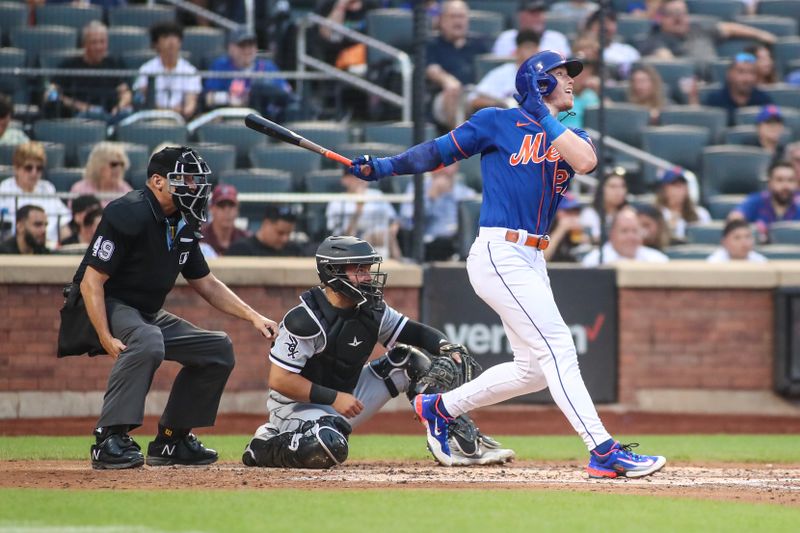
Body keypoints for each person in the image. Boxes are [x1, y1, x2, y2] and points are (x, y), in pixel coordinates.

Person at [348, 50, 666, 478]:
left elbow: (587, 163)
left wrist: (542, 114)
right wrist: (383, 166)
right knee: (559, 348)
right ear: (537, 83)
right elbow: (437, 153)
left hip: (533, 256)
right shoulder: (494, 122)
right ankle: (603, 450)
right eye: (560, 74)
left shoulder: (571, 132)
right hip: (499, 251)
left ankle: (440, 407)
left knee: (532, 370)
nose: (571, 81)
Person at [63, 145, 278, 470]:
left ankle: (171, 440)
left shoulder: (184, 221)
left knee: (217, 349)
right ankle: (108, 439)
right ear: (157, 181)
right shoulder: (127, 211)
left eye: (196, 180)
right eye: (185, 179)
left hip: (146, 313)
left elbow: (205, 282)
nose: (193, 187)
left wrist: (253, 316)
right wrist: (105, 335)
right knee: (149, 340)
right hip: (107, 303)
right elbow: (91, 281)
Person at [242, 235, 515, 469]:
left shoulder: (371, 309)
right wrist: (334, 398)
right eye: (358, 269)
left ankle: (457, 439)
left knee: (410, 360)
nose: (367, 277)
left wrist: (445, 346)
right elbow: (280, 381)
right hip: (295, 409)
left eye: (367, 268)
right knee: (329, 446)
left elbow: (415, 333)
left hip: (347, 398)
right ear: (333, 272)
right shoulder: (304, 319)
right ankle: (265, 445)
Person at [204, 27, 296, 122]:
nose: (247, 50)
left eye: (251, 45)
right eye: (242, 45)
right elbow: (209, 98)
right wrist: (237, 99)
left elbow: (286, 93)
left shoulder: (267, 66)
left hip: (264, 120)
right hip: (229, 119)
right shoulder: (221, 65)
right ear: (231, 47)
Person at [637, 0, 776, 62]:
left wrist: (761, 34)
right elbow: (665, 58)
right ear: (660, 18)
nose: (678, 19)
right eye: (672, 14)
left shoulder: (699, 27)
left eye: (682, 14)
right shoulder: (655, 38)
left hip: (715, 78)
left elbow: (729, 28)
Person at [49, 21, 132, 123]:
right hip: (79, 118)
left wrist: (119, 107)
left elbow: (125, 92)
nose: (99, 47)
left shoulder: (115, 63)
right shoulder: (69, 65)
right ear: (84, 44)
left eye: (102, 42)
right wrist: (80, 106)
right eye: (94, 42)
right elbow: (51, 93)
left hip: (109, 116)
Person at [426, 0, 490, 129]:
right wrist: (447, 80)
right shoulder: (432, 44)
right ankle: (460, 142)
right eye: (452, 16)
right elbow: (431, 69)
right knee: (453, 92)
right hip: (443, 97)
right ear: (442, 20)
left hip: (474, 94)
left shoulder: (479, 45)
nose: (458, 21)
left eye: (461, 16)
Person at [398, 162, 477, 261]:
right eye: (439, 163)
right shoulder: (416, 188)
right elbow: (407, 223)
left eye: (448, 163)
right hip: (425, 249)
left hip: (457, 249)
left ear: (456, 166)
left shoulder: (467, 194)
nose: (443, 168)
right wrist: (431, 197)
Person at [0, 142, 70, 244]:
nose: (34, 173)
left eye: (39, 168)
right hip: (15, 250)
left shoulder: (48, 188)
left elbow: (63, 225)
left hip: (49, 250)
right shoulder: (4, 190)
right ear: (16, 168)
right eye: (29, 168)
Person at [326, 170, 402, 260]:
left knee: (387, 234)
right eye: (356, 176)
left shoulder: (377, 195)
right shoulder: (337, 201)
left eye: (364, 176)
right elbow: (340, 234)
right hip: (350, 241)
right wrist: (359, 208)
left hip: (381, 238)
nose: (361, 180)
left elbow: (394, 219)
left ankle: (401, 266)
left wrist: (393, 228)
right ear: (344, 180)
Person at [133, 21, 201, 120]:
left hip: (181, 120)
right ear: (156, 44)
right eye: (165, 37)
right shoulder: (146, 69)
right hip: (152, 120)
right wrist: (166, 112)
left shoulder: (190, 71)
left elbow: (190, 105)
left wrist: (181, 112)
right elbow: (145, 100)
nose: (171, 41)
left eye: (175, 37)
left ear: (180, 42)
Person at [468, 30, 540, 113]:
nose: (532, 52)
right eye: (528, 47)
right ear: (517, 51)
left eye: (535, 48)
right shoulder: (502, 73)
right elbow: (474, 100)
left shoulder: (544, 75)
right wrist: (502, 104)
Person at [729, 160, 800, 242]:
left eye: (790, 180)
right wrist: (753, 232)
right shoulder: (756, 201)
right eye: (780, 180)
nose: (785, 185)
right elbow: (734, 218)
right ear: (769, 182)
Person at [581, 206, 670, 266]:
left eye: (635, 231)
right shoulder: (594, 261)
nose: (631, 237)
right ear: (612, 234)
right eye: (624, 231)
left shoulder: (657, 260)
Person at [703, 52, 772, 126]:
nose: (747, 78)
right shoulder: (714, 101)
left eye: (751, 73)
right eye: (741, 72)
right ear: (729, 74)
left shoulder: (764, 101)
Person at [492, 1, 571, 58]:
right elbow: (502, 63)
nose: (538, 17)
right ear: (520, 16)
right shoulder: (506, 37)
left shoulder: (557, 38)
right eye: (533, 13)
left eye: (540, 13)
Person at [654, 167, 710, 243]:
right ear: (664, 189)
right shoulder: (656, 213)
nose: (679, 190)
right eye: (674, 185)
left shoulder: (701, 213)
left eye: (682, 185)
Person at [226, 203, 305, 257]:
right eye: (280, 233)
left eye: (288, 234)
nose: (285, 239)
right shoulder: (242, 249)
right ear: (266, 224)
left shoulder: (294, 250)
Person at [583, 9, 641, 80]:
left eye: (610, 22)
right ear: (591, 27)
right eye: (601, 22)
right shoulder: (583, 51)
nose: (606, 27)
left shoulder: (628, 51)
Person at [69, 142, 133, 207]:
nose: (118, 169)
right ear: (99, 165)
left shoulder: (126, 190)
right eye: (114, 164)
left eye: (121, 164)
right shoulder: (80, 189)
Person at [579, 168, 629, 243]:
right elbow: (586, 239)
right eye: (613, 186)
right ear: (601, 190)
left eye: (622, 186)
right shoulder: (590, 213)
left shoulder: (629, 213)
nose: (619, 191)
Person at [200, 183, 249, 257]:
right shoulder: (199, 237)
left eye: (231, 205)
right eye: (221, 205)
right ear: (211, 208)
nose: (227, 211)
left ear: (237, 209)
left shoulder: (246, 240)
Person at [543, 194, 589, 263]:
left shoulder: (578, 230)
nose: (573, 216)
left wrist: (586, 242)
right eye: (568, 211)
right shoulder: (544, 226)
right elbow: (543, 258)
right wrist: (561, 229)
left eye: (576, 212)